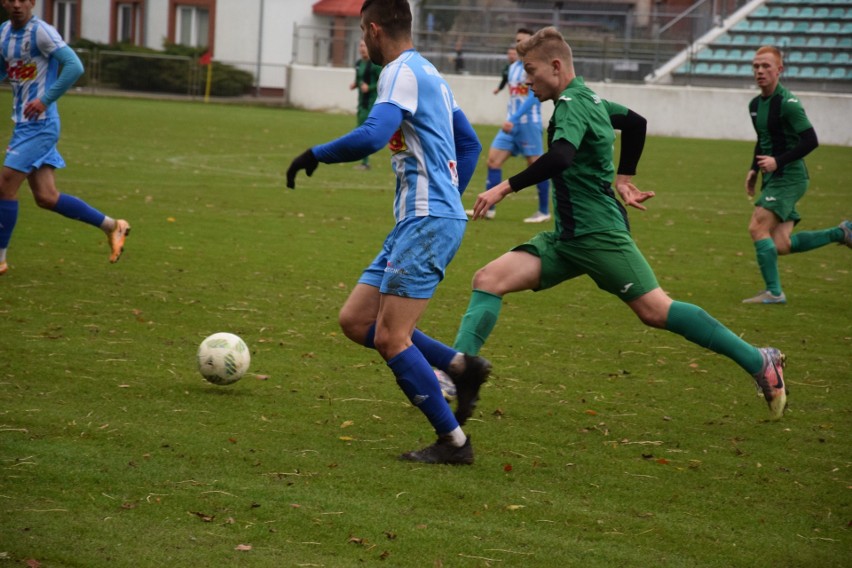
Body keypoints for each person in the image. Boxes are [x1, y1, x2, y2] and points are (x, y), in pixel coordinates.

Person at [455, 27, 789, 424]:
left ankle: (759, 360)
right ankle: (457, 373)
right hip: (567, 238)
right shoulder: (589, 97)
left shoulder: (572, 105)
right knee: (488, 279)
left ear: (556, 66)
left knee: (655, 310)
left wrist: (505, 187)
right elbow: (636, 123)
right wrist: (624, 179)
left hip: (599, 236)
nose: (527, 79)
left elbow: (561, 156)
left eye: (531, 69)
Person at [286, 0, 489, 465]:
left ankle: (454, 443)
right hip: (418, 221)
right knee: (357, 321)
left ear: (375, 29)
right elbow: (470, 143)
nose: (362, 40)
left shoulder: (398, 72)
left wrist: (315, 154)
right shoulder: (431, 74)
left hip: (427, 222)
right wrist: (447, 195)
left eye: (361, 31)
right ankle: (461, 367)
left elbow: (374, 135)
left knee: (390, 339)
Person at [0, 0, 130, 276]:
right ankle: (113, 226)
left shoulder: (41, 32)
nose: (17, 4)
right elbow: (5, 70)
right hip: (24, 124)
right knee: (46, 197)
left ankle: (0, 259)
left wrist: (45, 100)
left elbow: (74, 66)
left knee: (4, 186)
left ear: (32, 2)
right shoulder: (3, 33)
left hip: (40, 124)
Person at [741, 45, 850, 304]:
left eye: (766, 66)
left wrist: (778, 162)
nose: (760, 71)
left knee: (757, 227)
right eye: (756, 66)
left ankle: (774, 293)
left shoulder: (788, 103)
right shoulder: (755, 104)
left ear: (779, 70)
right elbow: (763, 139)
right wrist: (753, 169)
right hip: (773, 178)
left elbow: (811, 140)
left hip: (789, 177)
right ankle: (842, 233)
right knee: (781, 244)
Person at [468, 28, 550, 224]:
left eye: (523, 40)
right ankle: (489, 209)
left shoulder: (534, 67)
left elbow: (533, 98)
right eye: (517, 40)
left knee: (537, 167)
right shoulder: (514, 67)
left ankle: (544, 211)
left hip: (528, 123)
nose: (518, 43)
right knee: (493, 161)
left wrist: (513, 118)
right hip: (511, 125)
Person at [350, 40, 382, 170]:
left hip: (371, 104)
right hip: (361, 104)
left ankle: (365, 162)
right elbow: (359, 80)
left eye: (365, 46)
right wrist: (355, 84)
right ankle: (364, 160)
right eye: (361, 46)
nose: (363, 48)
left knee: (362, 132)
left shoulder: (375, 65)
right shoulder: (358, 64)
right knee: (362, 131)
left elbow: (382, 82)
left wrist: (369, 87)